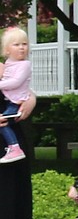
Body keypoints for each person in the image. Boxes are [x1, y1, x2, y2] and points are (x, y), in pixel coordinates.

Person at [0, 26, 36, 219]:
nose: (21, 48)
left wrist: (32, 100)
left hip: (12, 144)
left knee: (15, 206)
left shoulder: (10, 67)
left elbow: (23, 92)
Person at [0, 26, 35, 165]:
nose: (21, 48)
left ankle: (14, 148)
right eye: (16, 44)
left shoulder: (5, 66)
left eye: (24, 44)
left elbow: (20, 87)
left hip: (7, 141)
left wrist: (31, 99)